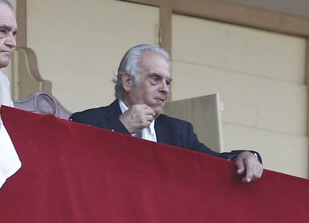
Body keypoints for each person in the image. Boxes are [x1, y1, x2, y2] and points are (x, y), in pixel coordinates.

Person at [72, 44, 263, 183]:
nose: (165, 89)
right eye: (155, 79)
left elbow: (214, 164)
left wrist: (245, 156)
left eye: (168, 82)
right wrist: (121, 127)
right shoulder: (85, 121)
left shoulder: (179, 132)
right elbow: (79, 171)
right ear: (128, 81)